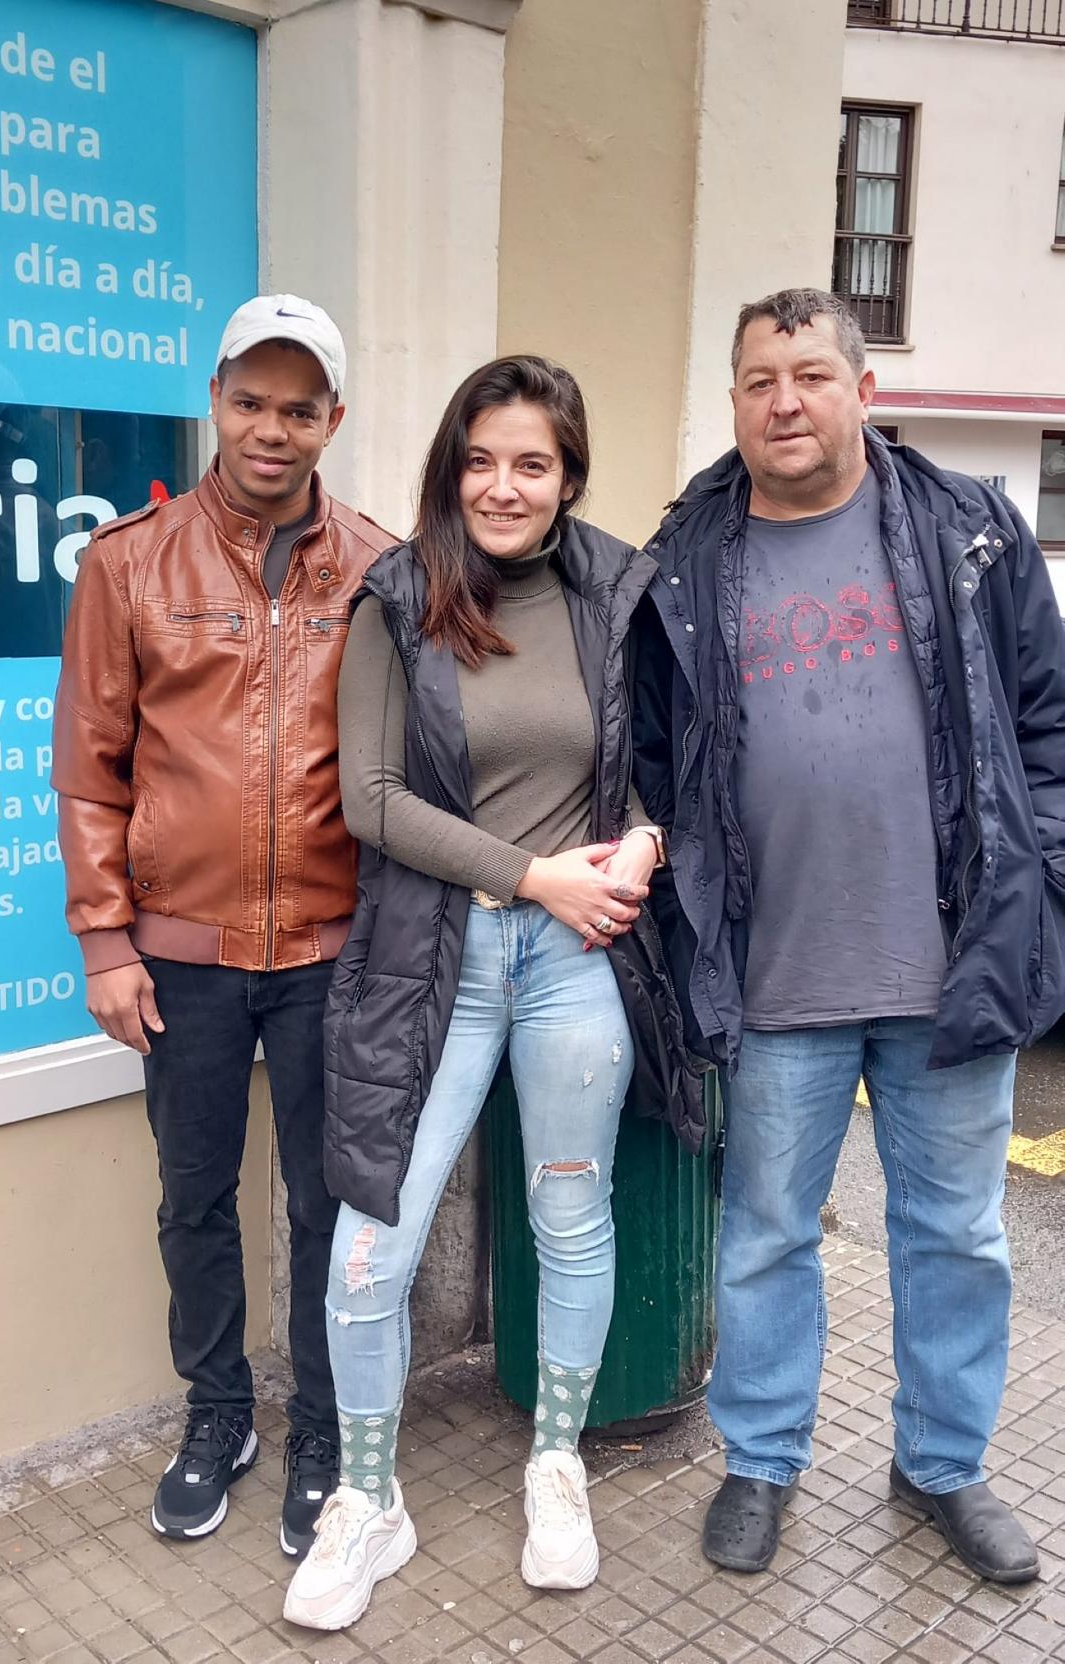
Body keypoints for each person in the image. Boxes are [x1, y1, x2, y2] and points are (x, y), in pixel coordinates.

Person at [633, 287, 1065, 1582]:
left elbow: (1049, 726)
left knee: (958, 1234)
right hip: (775, 977)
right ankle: (761, 1462)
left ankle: (943, 1466)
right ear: (733, 402)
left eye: (811, 374)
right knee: (769, 1231)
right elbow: (653, 757)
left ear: (863, 390)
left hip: (953, 968)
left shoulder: (972, 534)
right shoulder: (687, 558)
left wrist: (1041, 877)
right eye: (760, 379)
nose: (785, 401)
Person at [283, 354, 699, 1633]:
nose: (504, 486)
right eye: (481, 459)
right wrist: (532, 875)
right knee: (371, 1246)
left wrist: (637, 844)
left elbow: (668, 762)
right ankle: (368, 1497)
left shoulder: (618, 593)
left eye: (533, 462)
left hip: (578, 965)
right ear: (448, 467)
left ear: (569, 474)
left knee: (569, 1218)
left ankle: (557, 1461)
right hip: (437, 963)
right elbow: (373, 801)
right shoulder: (398, 599)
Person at [52, 294, 395, 1556]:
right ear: (217, 399)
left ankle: (318, 1423)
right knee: (193, 1193)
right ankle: (219, 1412)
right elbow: (92, 770)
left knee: (327, 1205)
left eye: (299, 406)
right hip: (180, 956)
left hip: (328, 954)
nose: (272, 426)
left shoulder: (378, 563)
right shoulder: (127, 564)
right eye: (251, 399)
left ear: (332, 422)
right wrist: (104, 936)